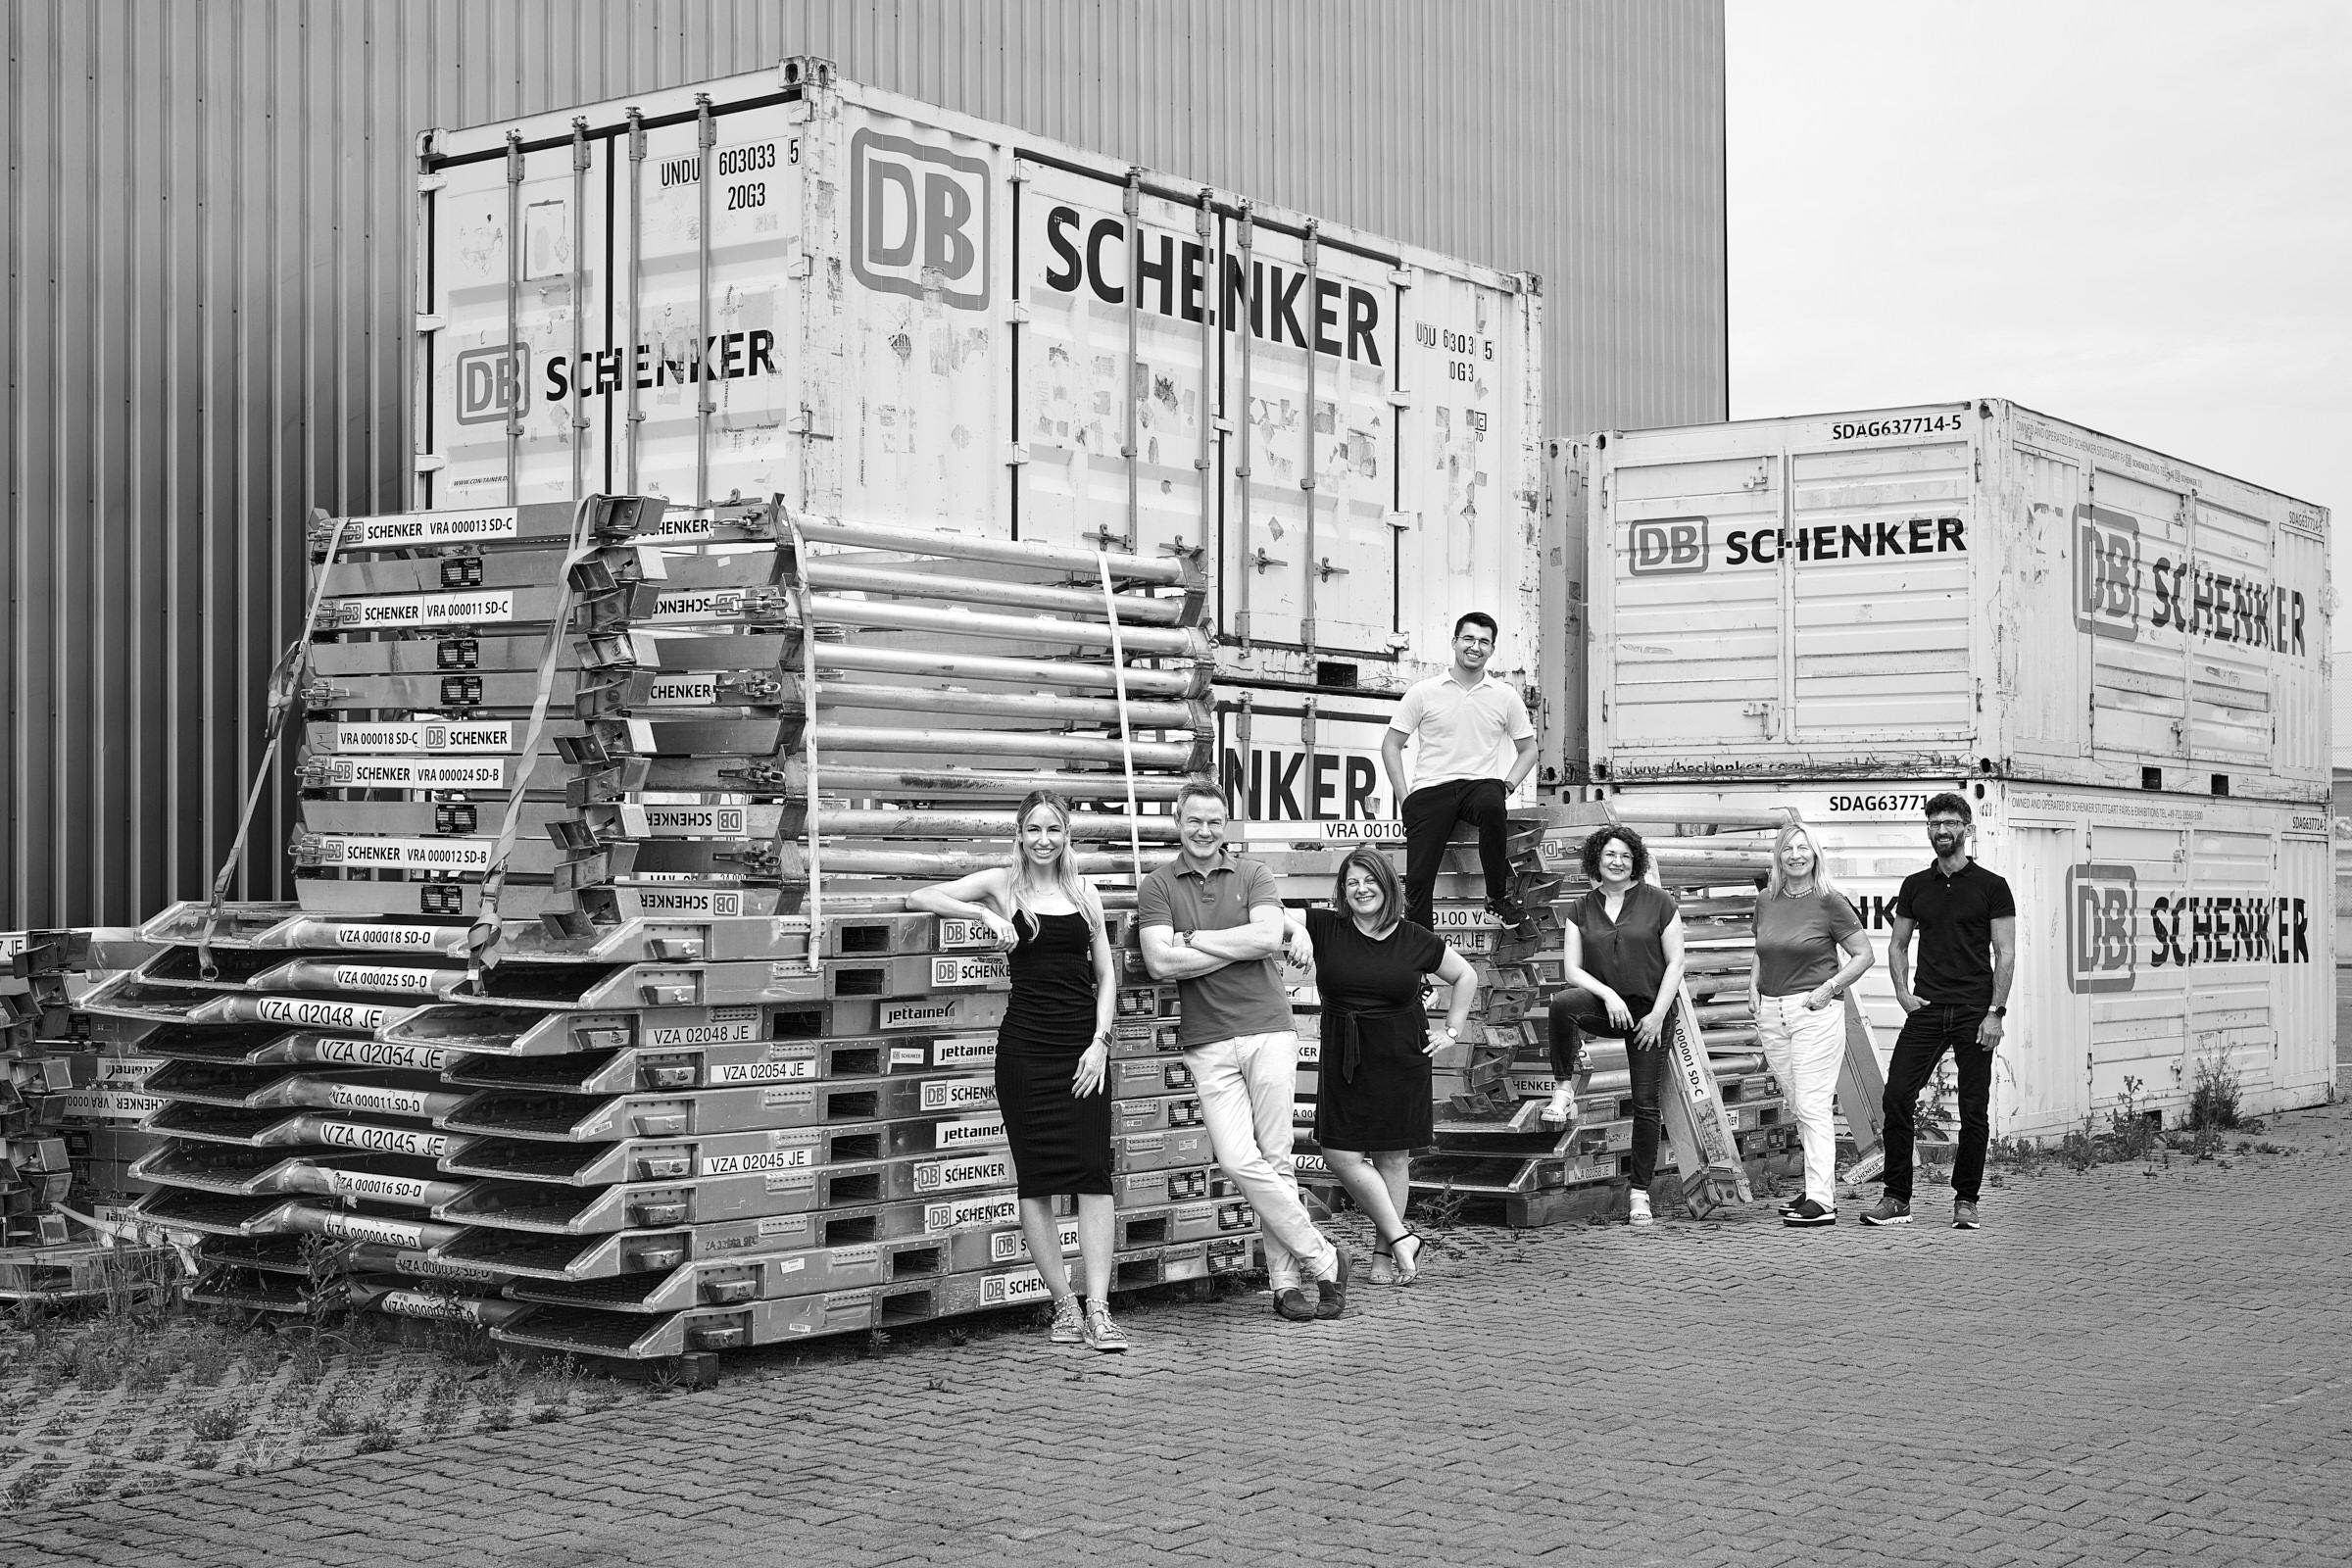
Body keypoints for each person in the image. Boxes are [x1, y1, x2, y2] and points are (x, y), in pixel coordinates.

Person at [907, 790, 1126, 1351]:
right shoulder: (1004, 886)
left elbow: (1106, 978)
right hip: (1026, 1053)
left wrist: (1101, 1043)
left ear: (1068, 835)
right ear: (1020, 834)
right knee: (1036, 1182)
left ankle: (1100, 1309)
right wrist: (979, 912)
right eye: (1034, 830)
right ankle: (1064, 1307)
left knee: (1093, 1178)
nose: (1044, 840)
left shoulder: (1086, 894)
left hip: (1083, 1050)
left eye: (1054, 829)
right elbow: (919, 895)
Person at [1139, 782, 1351, 1322]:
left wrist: (1193, 940)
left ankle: (1284, 1285)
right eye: (1194, 821)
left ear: (1226, 824)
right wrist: (1239, 940)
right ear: (1177, 820)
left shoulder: (1253, 873)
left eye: (1214, 822)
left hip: (1267, 1029)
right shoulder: (1158, 885)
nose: (1204, 832)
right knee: (1238, 1159)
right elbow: (1160, 965)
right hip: (1207, 1040)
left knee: (1276, 1159)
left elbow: (1265, 942)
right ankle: (1324, 1256)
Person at [1280, 848, 1476, 1286]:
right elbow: (1267, 909)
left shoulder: (1414, 937)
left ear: (1387, 885)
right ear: (1342, 892)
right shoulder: (1325, 926)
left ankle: (1385, 1255)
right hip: (1344, 1054)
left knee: (1392, 1157)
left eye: (1369, 880)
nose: (1361, 889)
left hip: (1401, 1053)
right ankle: (1404, 1237)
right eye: (1352, 883)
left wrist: (1452, 1030)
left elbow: (1466, 976)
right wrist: (1298, 930)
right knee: (1339, 1153)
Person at [1865, 793, 2016, 1230]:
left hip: (1974, 1011)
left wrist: (1996, 1013)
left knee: (1973, 1108)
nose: (1942, 830)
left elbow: (2004, 954)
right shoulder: (1915, 886)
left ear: (1967, 829)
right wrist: (1901, 992)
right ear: (1928, 830)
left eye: (1950, 822)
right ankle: (1897, 1199)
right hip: (1927, 1009)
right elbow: (1897, 944)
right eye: (1934, 823)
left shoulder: (1991, 886)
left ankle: (1966, 1200)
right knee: (1896, 1097)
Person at [1539, 825, 1686, 1226]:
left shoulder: (1659, 902)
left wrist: (1657, 1015)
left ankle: (1639, 1194)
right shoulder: (1582, 907)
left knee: (1645, 1104)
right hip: (1609, 1007)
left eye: (1624, 855)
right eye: (1609, 855)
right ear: (1596, 861)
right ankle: (1564, 1091)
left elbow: (1676, 963)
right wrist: (1608, 994)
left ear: (1634, 860)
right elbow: (1571, 970)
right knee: (1564, 1005)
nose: (1617, 862)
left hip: (1650, 1016)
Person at [1747, 822, 1875, 1228]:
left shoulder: (1829, 901)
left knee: (1813, 1104)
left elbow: (1863, 955)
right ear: (1779, 856)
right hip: (1772, 1012)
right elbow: (1762, 947)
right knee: (1797, 1104)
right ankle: (1816, 1186)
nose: (1796, 855)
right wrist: (1753, 985)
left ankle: (1823, 1201)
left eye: (1804, 848)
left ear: (1815, 854)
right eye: (1788, 849)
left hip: (1813, 1011)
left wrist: (1828, 988)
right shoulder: (1768, 898)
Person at [1382, 612, 1539, 934]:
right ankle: (1420, 969)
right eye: (1468, 639)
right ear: (1454, 643)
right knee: (1419, 883)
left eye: (1484, 642)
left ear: (1492, 650)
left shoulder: (1504, 696)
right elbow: (1391, 745)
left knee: (1493, 803)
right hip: (1430, 789)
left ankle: (1496, 899)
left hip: (1478, 786)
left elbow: (1529, 750)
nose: (1475, 647)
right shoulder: (1423, 692)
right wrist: (1404, 799)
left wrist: (1507, 785)